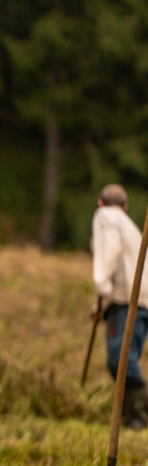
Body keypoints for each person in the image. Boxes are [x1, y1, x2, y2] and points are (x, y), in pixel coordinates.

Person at [91, 183, 148, 428]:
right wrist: (100, 307)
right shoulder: (133, 228)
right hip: (143, 302)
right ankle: (128, 417)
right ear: (126, 206)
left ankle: (139, 415)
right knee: (127, 359)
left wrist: (101, 285)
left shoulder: (106, 217)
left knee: (121, 361)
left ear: (99, 202)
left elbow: (110, 253)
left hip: (126, 302)